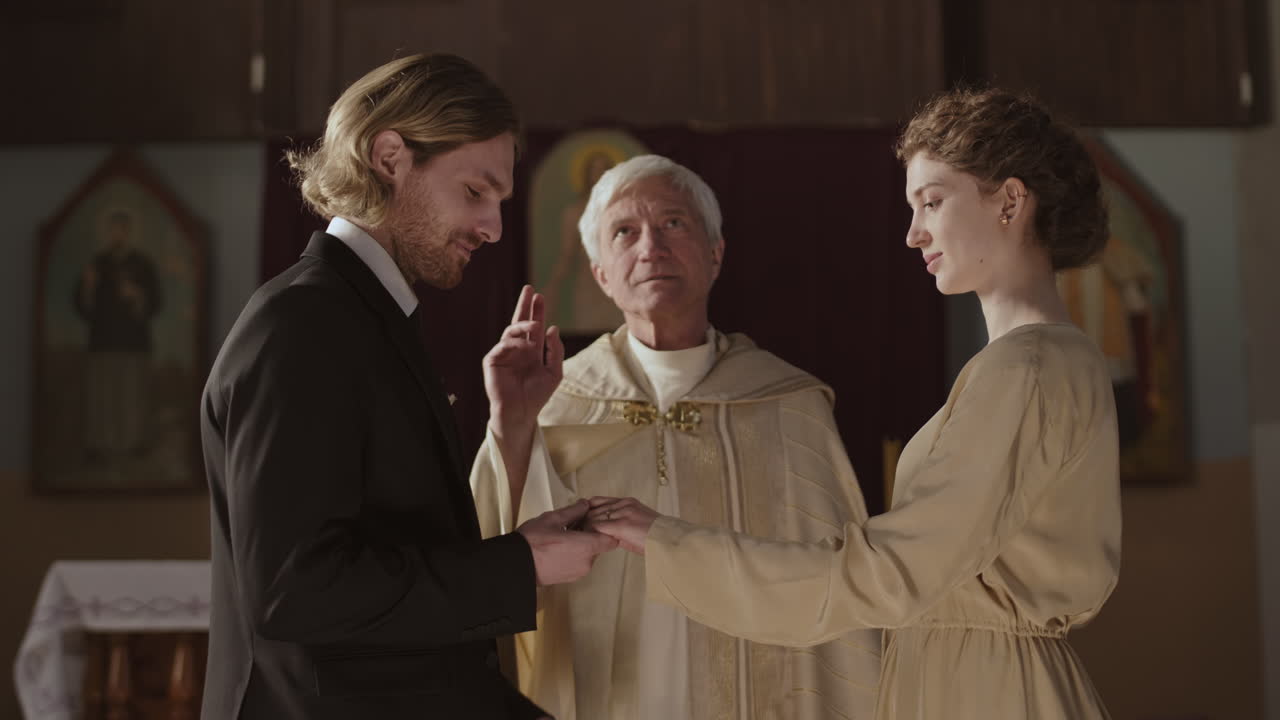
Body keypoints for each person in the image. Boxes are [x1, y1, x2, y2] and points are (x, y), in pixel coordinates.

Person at [588, 89, 1122, 720]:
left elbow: (889, 573)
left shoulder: (1027, 369)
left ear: (1009, 199)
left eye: (932, 201)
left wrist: (669, 542)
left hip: (988, 690)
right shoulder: (1036, 362)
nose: (913, 232)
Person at [199, 53, 614, 720]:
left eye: (499, 201)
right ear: (390, 157)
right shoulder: (303, 324)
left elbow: (391, 551)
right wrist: (519, 565)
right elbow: (294, 591)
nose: (493, 228)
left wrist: (520, 511)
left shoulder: (359, 315)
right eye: (475, 192)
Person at [472, 155, 882, 719]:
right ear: (601, 274)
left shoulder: (790, 405)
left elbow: (837, 584)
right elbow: (486, 559)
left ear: (716, 255)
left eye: (673, 224)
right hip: (599, 687)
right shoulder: (554, 402)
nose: (650, 248)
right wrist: (510, 430)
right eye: (625, 232)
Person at [74, 208, 162, 457]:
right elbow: (82, 305)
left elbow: (156, 302)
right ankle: (100, 446)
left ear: (127, 232)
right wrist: (88, 288)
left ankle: (135, 444)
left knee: (132, 394)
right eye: (112, 230)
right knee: (102, 395)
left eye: (121, 229)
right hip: (102, 341)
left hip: (133, 343)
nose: (116, 234)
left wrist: (138, 296)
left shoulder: (143, 265)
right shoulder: (97, 263)